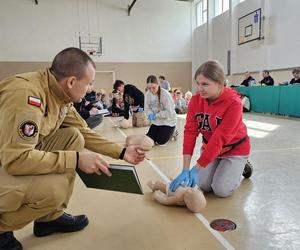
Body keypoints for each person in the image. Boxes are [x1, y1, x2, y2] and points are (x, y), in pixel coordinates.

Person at [0, 47, 145, 250]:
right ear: (71, 81)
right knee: (53, 191)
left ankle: (49, 218)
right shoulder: (27, 95)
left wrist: (121, 152)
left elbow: (83, 132)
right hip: (8, 158)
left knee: (73, 136)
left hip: (7, 155)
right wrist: (76, 160)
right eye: (89, 84)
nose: (90, 89)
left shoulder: (60, 94)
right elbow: (16, 159)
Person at [169, 61, 251, 198]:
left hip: (234, 149)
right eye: (198, 83)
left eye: (205, 84)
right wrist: (185, 169)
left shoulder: (234, 103)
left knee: (221, 190)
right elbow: (190, 133)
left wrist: (196, 168)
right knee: (204, 185)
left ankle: (242, 165)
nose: (200, 89)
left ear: (219, 83)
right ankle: (219, 166)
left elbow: (220, 138)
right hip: (210, 148)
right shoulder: (196, 101)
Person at [145, 75, 177, 145]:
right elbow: (147, 108)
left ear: (158, 85)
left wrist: (156, 115)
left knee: (160, 141)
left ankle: (173, 131)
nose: (151, 90)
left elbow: (169, 112)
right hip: (156, 121)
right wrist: (150, 114)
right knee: (149, 139)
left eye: (153, 87)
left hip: (168, 121)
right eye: (149, 88)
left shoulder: (165, 94)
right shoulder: (148, 94)